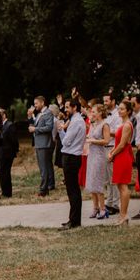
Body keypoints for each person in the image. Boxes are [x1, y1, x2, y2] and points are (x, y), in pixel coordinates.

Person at [57, 99, 87, 230]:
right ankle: (73, 219)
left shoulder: (76, 122)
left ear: (75, 107)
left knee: (73, 190)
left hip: (71, 158)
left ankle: (74, 221)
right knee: (72, 190)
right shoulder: (76, 120)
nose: (66, 110)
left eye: (68, 107)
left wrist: (60, 130)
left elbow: (66, 142)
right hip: (72, 157)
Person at [108, 100, 134, 226]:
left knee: (123, 186)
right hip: (119, 156)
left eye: (122, 109)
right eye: (119, 109)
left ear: (128, 111)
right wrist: (112, 151)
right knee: (119, 185)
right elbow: (118, 143)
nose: (119, 111)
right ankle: (122, 215)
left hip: (123, 157)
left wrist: (112, 153)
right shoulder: (122, 123)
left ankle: (124, 215)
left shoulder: (127, 125)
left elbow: (123, 144)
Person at [84, 105, 111, 220]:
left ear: (100, 112)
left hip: (100, 156)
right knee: (91, 181)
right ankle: (95, 208)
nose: (92, 113)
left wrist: (92, 140)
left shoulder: (105, 125)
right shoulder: (93, 124)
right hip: (91, 155)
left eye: (94, 112)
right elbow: (88, 137)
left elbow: (106, 141)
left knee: (98, 182)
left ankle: (103, 209)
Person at [28, 96, 54, 196]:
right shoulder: (39, 114)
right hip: (39, 143)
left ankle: (43, 190)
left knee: (44, 167)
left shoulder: (48, 113)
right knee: (44, 167)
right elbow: (35, 124)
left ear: (42, 102)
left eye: (36, 103)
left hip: (44, 143)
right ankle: (46, 187)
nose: (35, 106)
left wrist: (35, 129)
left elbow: (49, 127)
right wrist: (30, 117)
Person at [103, 92, 121, 215]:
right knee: (106, 179)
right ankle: (109, 202)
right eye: (104, 101)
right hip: (103, 147)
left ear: (113, 101)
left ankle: (115, 204)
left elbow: (119, 132)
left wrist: (105, 132)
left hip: (112, 147)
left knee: (113, 178)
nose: (105, 103)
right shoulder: (105, 115)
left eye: (107, 101)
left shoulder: (118, 115)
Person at [0, 109, 19, 198]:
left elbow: (14, 140)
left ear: (4, 115)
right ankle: (4, 191)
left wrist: (15, 150)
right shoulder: (0, 126)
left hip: (8, 153)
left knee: (6, 172)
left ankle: (7, 193)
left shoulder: (10, 125)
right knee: (2, 172)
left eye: (0, 115)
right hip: (1, 152)